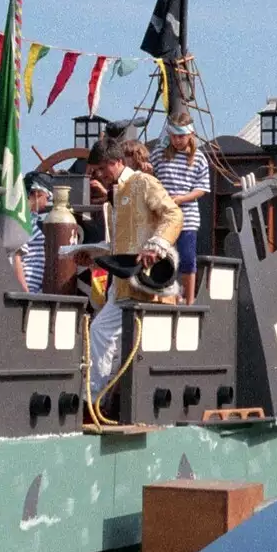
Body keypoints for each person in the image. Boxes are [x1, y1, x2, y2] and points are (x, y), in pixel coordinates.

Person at [82, 137, 181, 410]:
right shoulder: (119, 194)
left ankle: (96, 400)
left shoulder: (143, 183)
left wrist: (156, 246)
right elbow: (121, 242)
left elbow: (173, 215)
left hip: (144, 283)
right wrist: (93, 256)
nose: (98, 177)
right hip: (124, 285)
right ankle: (98, 400)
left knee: (110, 336)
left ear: (115, 162)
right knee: (105, 335)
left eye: (100, 170)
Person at [152, 114, 211, 304]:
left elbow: (202, 189)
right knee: (161, 256)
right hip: (163, 215)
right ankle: (164, 296)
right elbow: (150, 177)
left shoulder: (199, 158)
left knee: (187, 257)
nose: (177, 141)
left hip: (187, 215)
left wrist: (182, 198)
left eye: (181, 136)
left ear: (190, 135)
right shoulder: (159, 154)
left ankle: (189, 299)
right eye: (173, 136)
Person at [14, 172, 54, 292]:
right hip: (27, 291)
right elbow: (16, 257)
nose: (47, 203)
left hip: (34, 290)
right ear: (37, 194)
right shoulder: (23, 220)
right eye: (47, 198)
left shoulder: (31, 219)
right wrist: (24, 292)